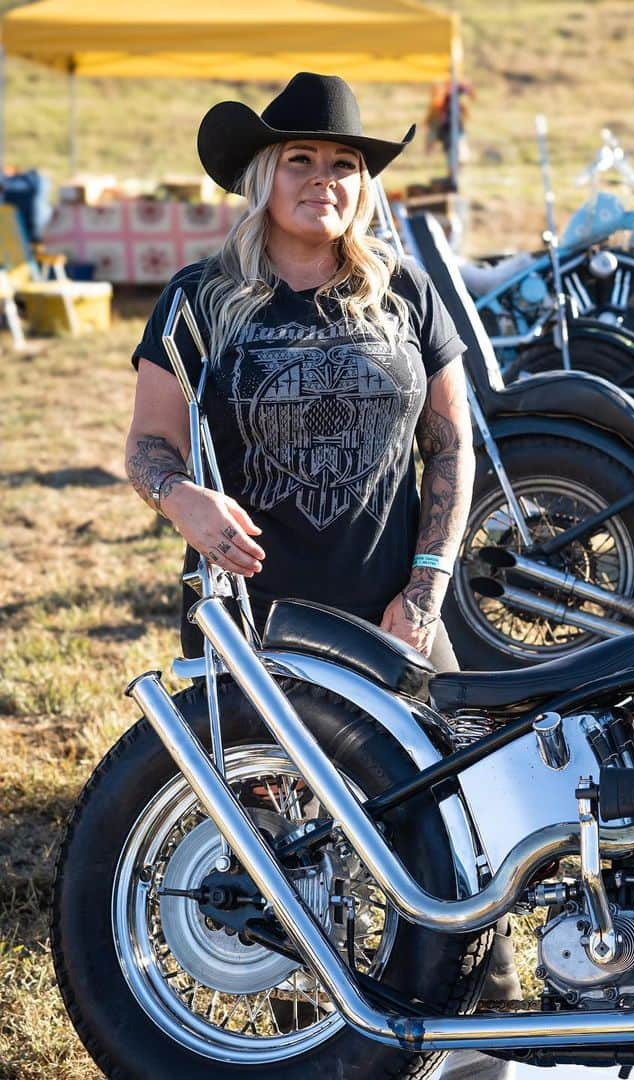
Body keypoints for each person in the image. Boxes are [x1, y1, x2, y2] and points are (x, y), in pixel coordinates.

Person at [124, 71, 517, 1079]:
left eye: (343, 163)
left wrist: (424, 592)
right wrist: (185, 504)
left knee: (453, 832)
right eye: (300, 159)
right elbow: (148, 447)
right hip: (257, 625)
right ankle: (310, 1045)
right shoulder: (200, 301)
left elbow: (453, 449)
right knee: (287, 860)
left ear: (364, 184)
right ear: (264, 176)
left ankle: (477, 1041)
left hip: (393, 619)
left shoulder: (407, 293)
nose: (323, 179)